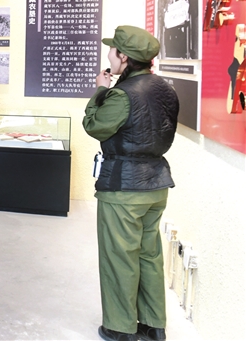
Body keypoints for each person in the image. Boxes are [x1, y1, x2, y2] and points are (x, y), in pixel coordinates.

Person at [82, 26, 179, 341]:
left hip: (124, 187)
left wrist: (100, 91)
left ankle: (120, 327)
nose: (109, 55)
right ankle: (153, 325)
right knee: (148, 255)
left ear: (123, 57)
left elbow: (94, 126)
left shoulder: (121, 95)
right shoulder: (165, 89)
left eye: (113, 50)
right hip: (156, 184)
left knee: (119, 257)